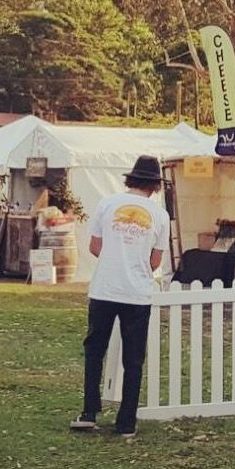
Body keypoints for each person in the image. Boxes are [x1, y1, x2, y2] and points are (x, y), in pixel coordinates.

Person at [71, 155, 170, 439]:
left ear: (131, 180)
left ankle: (89, 412)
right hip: (137, 293)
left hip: (104, 289)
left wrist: (115, 258)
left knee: (95, 351)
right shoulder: (160, 216)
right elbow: (155, 262)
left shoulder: (107, 203)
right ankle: (127, 421)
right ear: (155, 185)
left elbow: (94, 246)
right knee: (133, 359)